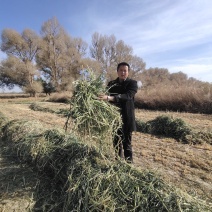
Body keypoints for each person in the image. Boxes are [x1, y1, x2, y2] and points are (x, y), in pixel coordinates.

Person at [98, 62, 138, 163]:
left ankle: (129, 167)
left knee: (127, 144)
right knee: (116, 143)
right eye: (121, 70)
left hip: (127, 118)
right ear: (117, 71)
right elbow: (104, 95)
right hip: (114, 119)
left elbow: (128, 96)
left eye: (125, 70)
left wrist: (110, 98)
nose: (123, 72)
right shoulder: (111, 84)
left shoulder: (132, 84)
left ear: (128, 72)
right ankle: (118, 164)